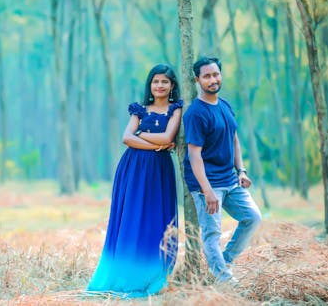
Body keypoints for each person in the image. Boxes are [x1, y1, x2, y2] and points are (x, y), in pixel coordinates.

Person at [86, 64, 183, 297]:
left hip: (159, 172)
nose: (159, 86)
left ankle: (152, 274)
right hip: (132, 170)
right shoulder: (139, 109)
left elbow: (169, 136)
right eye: (155, 81)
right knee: (130, 219)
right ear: (150, 85)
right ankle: (124, 272)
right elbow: (126, 138)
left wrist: (141, 135)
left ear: (172, 86)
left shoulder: (176, 109)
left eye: (164, 82)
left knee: (156, 219)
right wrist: (157, 144)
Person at [183, 56, 262, 284]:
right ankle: (225, 281)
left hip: (231, 179)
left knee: (253, 217)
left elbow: (234, 140)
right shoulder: (195, 113)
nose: (213, 79)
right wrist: (206, 190)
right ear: (197, 80)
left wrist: (242, 170)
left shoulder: (225, 105)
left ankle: (224, 262)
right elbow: (194, 154)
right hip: (208, 184)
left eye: (216, 74)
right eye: (207, 76)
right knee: (211, 234)